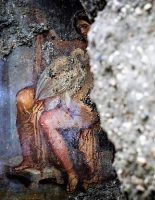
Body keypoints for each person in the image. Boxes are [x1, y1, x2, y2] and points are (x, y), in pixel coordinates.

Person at [14, 11, 105, 192]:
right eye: (80, 29)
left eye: (86, 26)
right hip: (67, 98)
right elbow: (57, 44)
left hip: (87, 105)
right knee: (27, 101)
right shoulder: (79, 46)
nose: (84, 32)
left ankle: (72, 173)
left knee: (46, 118)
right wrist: (44, 32)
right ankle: (32, 159)